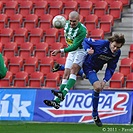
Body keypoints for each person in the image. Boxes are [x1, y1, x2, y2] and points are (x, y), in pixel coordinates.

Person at [44, 11, 87, 109]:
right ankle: (56, 101)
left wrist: (60, 50)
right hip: (71, 51)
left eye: (74, 22)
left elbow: (75, 46)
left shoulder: (82, 31)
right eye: (71, 21)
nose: (72, 23)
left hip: (80, 50)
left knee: (73, 70)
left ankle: (63, 93)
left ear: (79, 20)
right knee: (66, 74)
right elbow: (60, 24)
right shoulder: (66, 24)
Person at [82, 34, 125, 127]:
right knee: (97, 87)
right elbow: (85, 40)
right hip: (86, 64)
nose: (115, 49)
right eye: (114, 46)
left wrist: (105, 80)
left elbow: (111, 67)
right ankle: (95, 114)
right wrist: (87, 49)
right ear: (110, 42)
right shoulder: (102, 44)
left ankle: (61, 67)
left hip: (95, 68)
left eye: (118, 47)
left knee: (86, 76)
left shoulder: (117, 53)